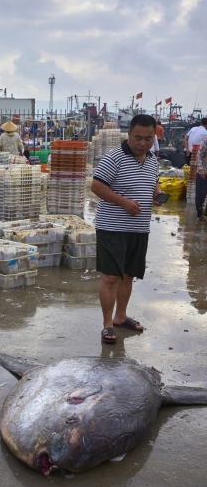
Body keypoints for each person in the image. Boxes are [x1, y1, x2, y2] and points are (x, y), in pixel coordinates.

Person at [91, 114, 163, 344]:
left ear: (154, 137)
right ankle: (107, 324)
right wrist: (123, 202)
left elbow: (154, 181)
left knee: (129, 275)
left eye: (148, 138)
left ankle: (121, 317)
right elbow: (96, 186)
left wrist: (158, 194)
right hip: (112, 227)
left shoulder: (152, 159)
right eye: (138, 138)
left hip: (139, 229)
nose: (143, 143)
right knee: (112, 277)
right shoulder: (114, 157)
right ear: (129, 135)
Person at [195, 135, 207, 222]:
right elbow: (199, 155)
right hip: (204, 172)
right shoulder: (206, 140)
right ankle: (199, 215)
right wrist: (201, 168)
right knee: (201, 194)